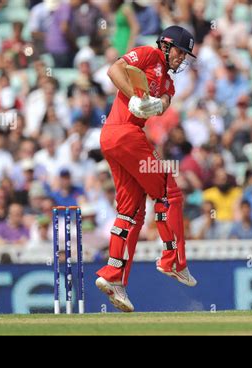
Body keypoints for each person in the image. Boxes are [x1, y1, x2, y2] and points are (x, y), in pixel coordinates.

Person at [95, 26, 198, 312]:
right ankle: (172, 260)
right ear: (165, 46)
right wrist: (136, 98)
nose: (181, 58)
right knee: (169, 192)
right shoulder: (148, 54)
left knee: (132, 211)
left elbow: (164, 104)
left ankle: (114, 276)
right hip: (123, 133)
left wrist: (153, 105)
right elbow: (114, 70)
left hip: (116, 139)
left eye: (185, 55)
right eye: (179, 51)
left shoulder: (169, 84)